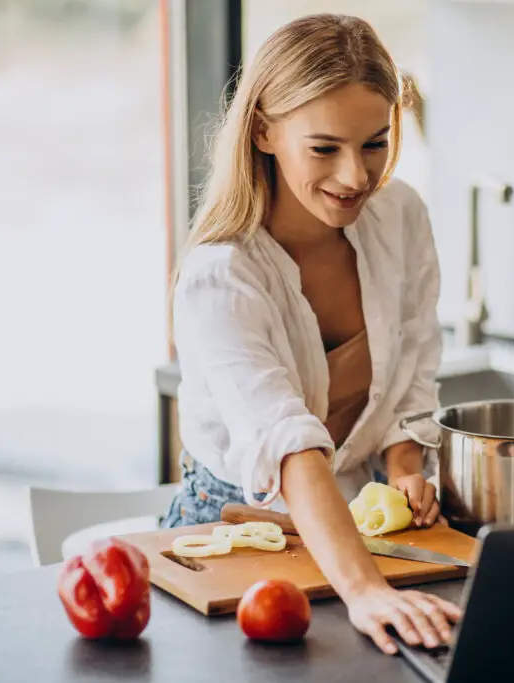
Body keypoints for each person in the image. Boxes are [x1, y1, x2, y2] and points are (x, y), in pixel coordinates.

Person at [164, 13, 458, 655]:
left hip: (350, 528)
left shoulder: (400, 216)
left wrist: (405, 464)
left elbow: (415, 362)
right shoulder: (222, 276)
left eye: (374, 143)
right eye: (325, 148)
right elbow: (289, 444)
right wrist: (366, 590)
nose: (356, 176)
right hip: (230, 541)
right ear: (264, 131)